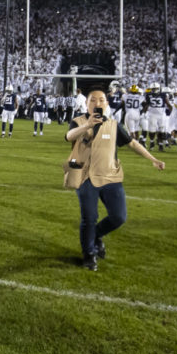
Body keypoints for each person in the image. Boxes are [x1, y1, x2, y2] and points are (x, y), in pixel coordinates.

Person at [65, 87, 164, 271]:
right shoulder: (77, 122)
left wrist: (153, 159)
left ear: (107, 103)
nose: (97, 103)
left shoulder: (113, 124)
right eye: (92, 100)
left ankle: (96, 236)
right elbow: (69, 136)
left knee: (119, 217)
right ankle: (89, 254)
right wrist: (87, 126)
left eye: (101, 100)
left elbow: (132, 143)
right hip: (84, 176)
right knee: (89, 217)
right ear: (86, 104)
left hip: (110, 176)